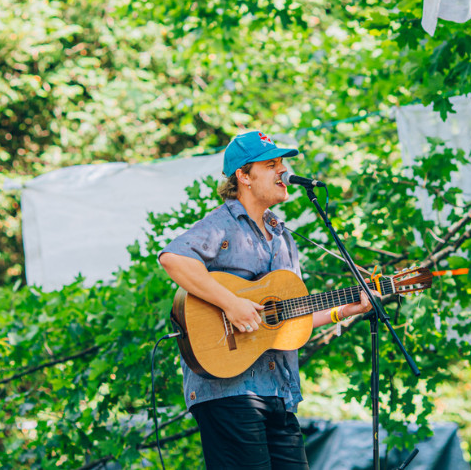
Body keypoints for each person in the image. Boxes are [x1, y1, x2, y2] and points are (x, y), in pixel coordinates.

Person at [158, 130, 373, 469]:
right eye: (270, 165)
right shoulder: (221, 225)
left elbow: (289, 317)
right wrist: (231, 303)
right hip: (227, 389)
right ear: (243, 176)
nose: (282, 171)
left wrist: (345, 310)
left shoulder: (283, 237)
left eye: (281, 163)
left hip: (278, 391)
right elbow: (173, 259)